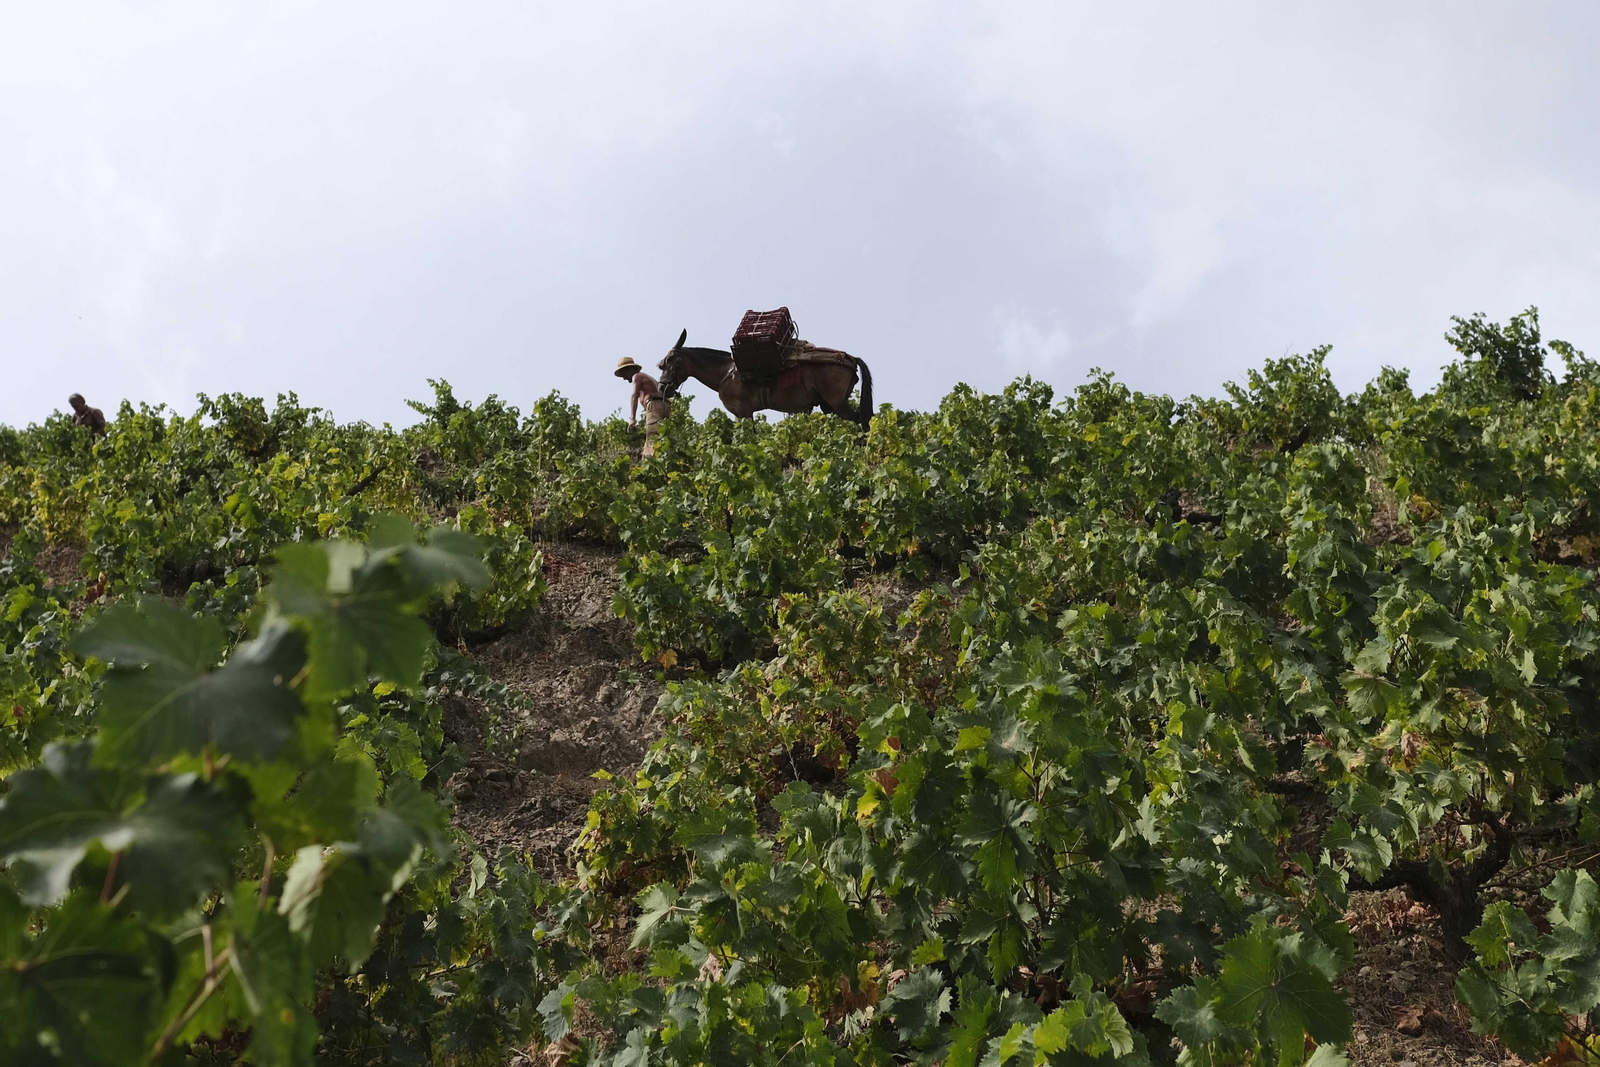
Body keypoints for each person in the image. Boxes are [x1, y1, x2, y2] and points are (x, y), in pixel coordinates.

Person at [615, 357, 669, 457]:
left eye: (623, 374)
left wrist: (632, 419)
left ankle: (651, 461)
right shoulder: (649, 378)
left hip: (654, 405)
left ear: (629, 369)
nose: (624, 378)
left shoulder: (637, 376)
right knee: (662, 436)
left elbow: (634, 396)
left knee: (652, 436)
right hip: (663, 406)